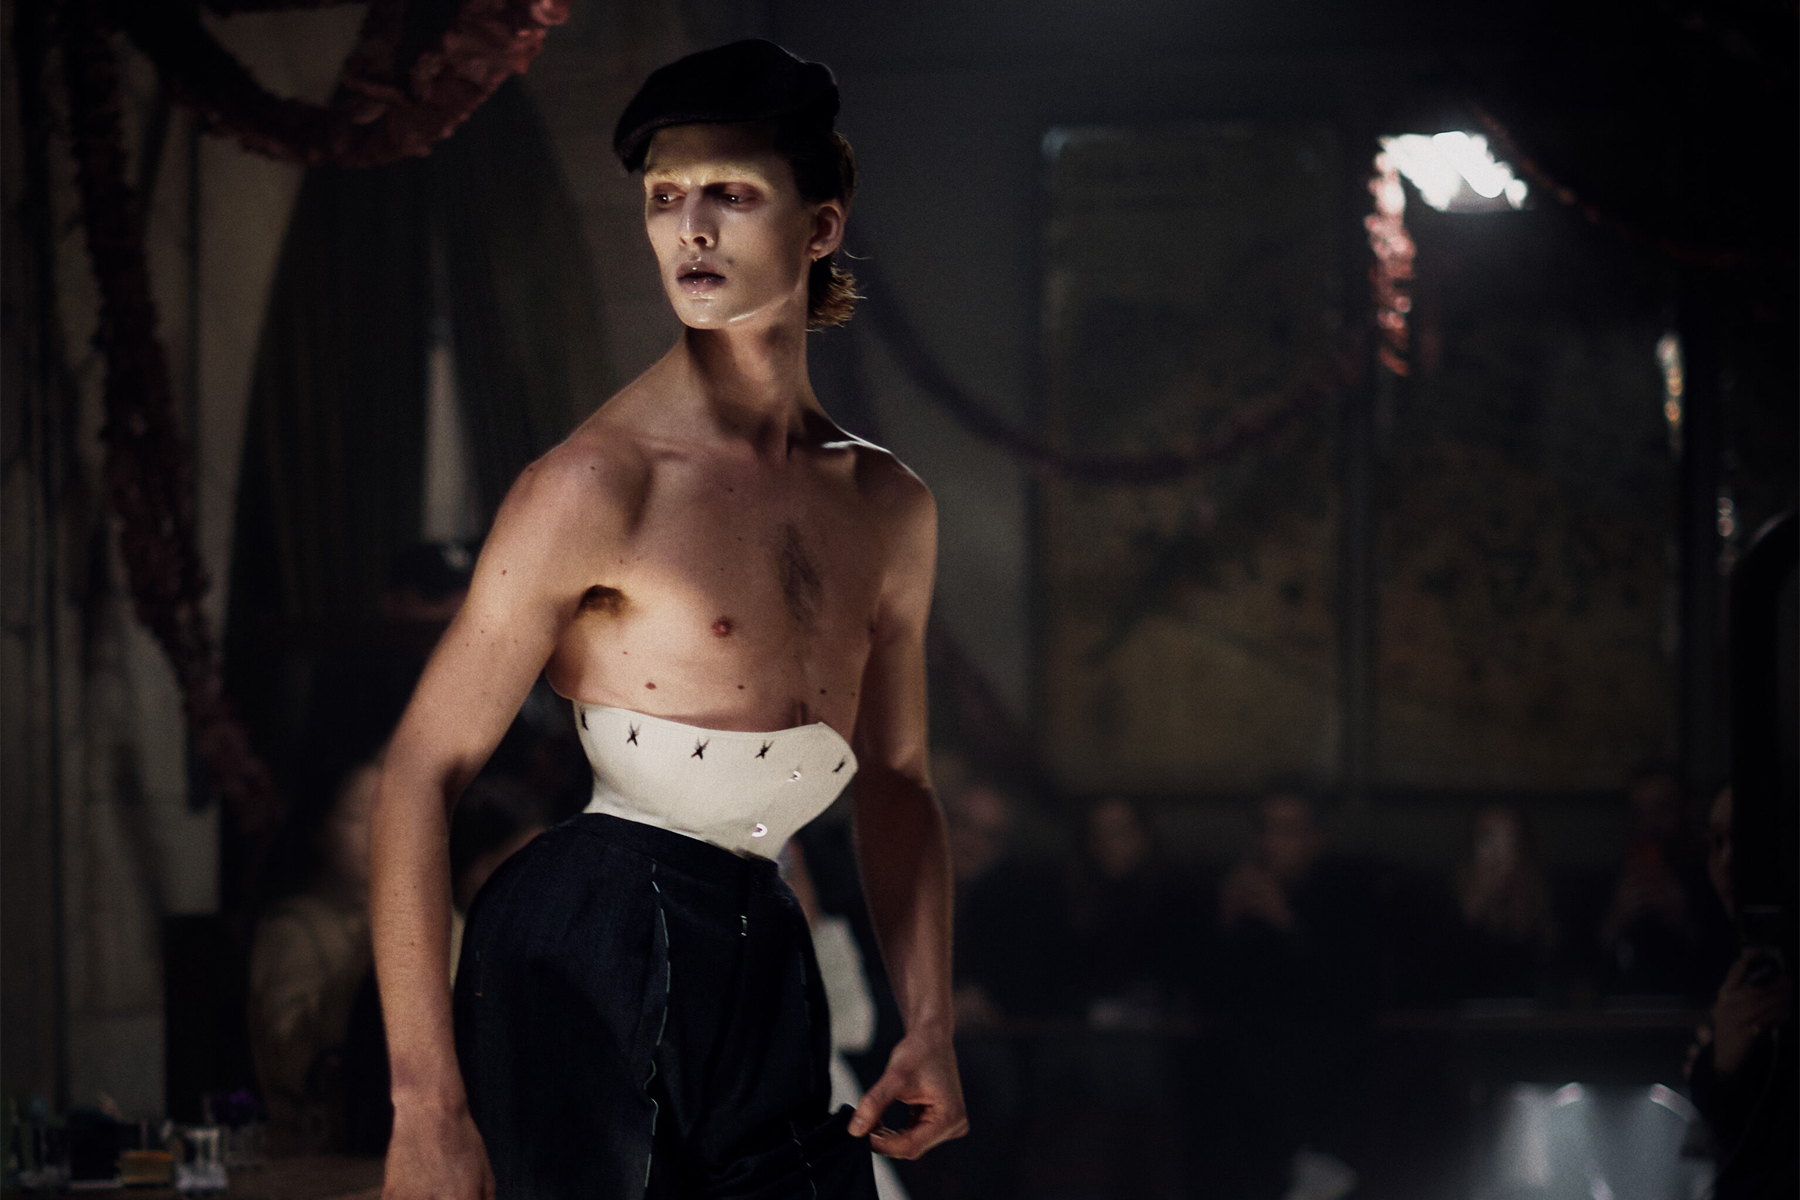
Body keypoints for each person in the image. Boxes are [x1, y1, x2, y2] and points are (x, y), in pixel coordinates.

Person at [370, 40, 964, 1200]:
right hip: (585, 937)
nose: (689, 229)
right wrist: (425, 1105)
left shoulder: (891, 505)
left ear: (820, 227)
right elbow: (417, 771)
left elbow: (898, 782)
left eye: (730, 195)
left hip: (761, 935)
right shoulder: (596, 484)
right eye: (663, 198)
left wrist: (929, 1021)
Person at [248, 753, 382, 1153]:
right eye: (357, 817)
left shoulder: (428, 913)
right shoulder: (295, 931)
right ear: (318, 830)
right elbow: (290, 1061)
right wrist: (367, 955)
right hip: (322, 1149)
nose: (378, 831)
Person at [1685, 788, 1796, 1198]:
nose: (1728, 861)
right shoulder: (1731, 956)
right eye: (1716, 843)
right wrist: (1723, 1066)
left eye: (1748, 841)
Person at [1598, 768, 1734, 999]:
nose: (1650, 824)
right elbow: (1578, 984)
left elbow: (1726, 970)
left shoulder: (1717, 879)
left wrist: (1683, 920)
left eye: (1662, 809)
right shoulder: (1605, 884)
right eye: (1639, 813)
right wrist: (1614, 923)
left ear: (1687, 811)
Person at [1454, 805, 1556, 1000]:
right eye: (1487, 839)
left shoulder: (1539, 908)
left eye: (1509, 841)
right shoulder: (1445, 907)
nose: (1497, 854)